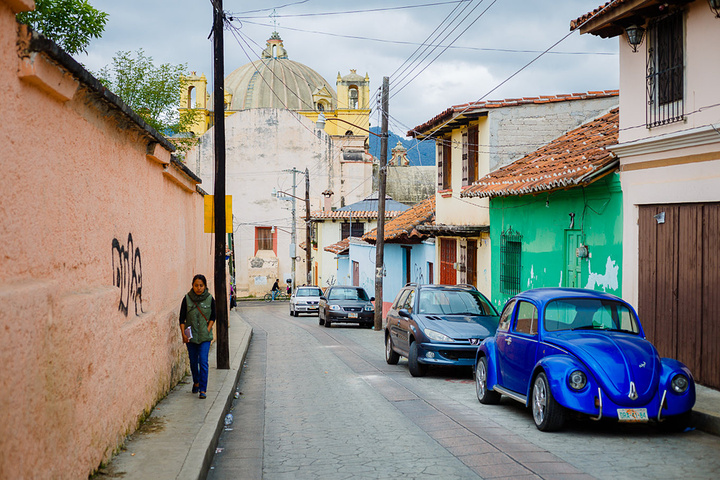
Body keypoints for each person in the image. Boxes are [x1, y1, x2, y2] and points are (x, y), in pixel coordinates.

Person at [179, 274, 216, 399]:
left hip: (205, 337)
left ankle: (203, 389)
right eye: (196, 285)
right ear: (192, 286)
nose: (199, 288)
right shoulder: (187, 299)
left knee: (203, 362)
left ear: (205, 286)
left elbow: (213, 316)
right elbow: (182, 319)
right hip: (190, 336)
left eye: (201, 285)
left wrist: (208, 328)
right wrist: (183, 334)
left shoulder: (210, 299)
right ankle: (196, 381)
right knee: (193, 362)